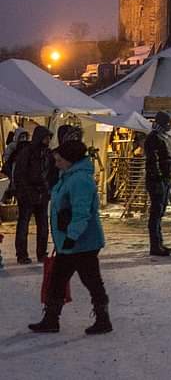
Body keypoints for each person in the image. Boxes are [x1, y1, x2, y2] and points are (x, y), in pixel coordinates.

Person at [28, 139, 111, 335]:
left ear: (70, 160)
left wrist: (72, 236)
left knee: (90, 280)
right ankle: (52, 319)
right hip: (71, 240)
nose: (56, 164)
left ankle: (101, 319)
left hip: (82, 242)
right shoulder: (69, 176)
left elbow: (81, 212)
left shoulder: (79, 180)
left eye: (59, 160)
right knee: (59, 279)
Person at [8, 126, 54, 264]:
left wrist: (47, 190)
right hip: (27, 195)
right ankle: (21, 254)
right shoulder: (27, 153)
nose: (48, 140)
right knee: (23, 224)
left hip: (42, 193)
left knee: (43, 225)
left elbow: (50, 173)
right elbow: (20, 175)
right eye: (46, 137)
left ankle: (42, 253)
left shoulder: (47, 154)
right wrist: (27, 192)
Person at [143, 112, 171, 256]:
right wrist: (158, 176)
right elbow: (153, 160)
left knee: (160, 212)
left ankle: (159, 243)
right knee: (156, 212)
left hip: (165, 178)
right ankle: (155, 245)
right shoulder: (153, 137)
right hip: (157, 180)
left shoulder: (165, 137)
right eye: (169, 123)